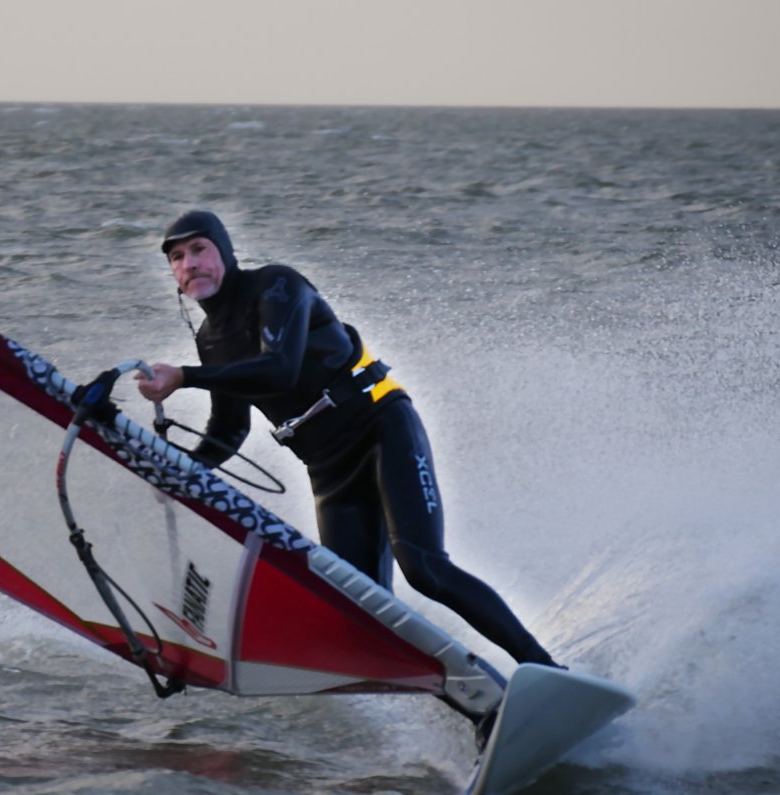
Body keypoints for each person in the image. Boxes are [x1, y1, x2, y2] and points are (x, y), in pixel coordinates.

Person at [135, 210, 560, 678]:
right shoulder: (210, 339)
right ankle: (482, 703)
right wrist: (183, 470)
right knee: (362, 612)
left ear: (226, 254)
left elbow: (282, 370)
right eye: (177, 257)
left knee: (422, 566)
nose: (189, 263)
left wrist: (184, 378)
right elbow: (229, 427)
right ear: (173, 275)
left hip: (380, 426)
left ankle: (546, 671)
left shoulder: (276, 287)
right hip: (329, 470)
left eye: (199, 249)